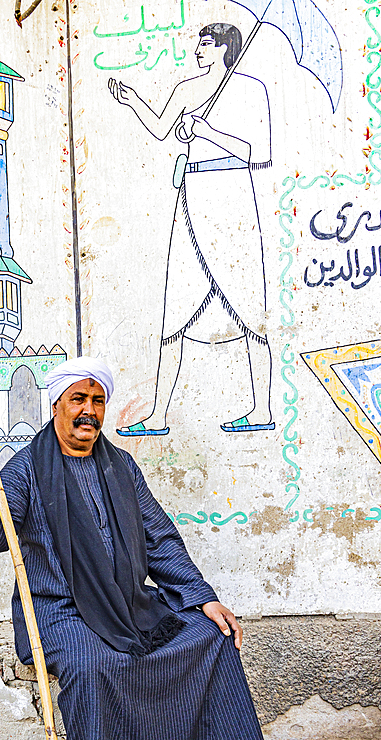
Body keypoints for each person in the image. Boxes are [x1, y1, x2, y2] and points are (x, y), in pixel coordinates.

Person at [0, 357, 287, 740]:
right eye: (78, 401)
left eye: (97, 401)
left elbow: (160, 539)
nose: (89, 412)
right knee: (92, 667)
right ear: (57, 405)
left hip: (127, 603)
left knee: (209, 638)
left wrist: (203, 596)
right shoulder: (22, 469)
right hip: (59, 610)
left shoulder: (121, 465)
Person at [109, 23, 275, 437]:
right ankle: (159, 415)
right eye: (199, 43)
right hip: (192, 192)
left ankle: (262, 409)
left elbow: (260, 153)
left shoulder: (251, 90)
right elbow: (163, 128)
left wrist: (207, 132)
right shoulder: (188, 88)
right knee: (174, 310)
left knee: (250, 307)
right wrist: (134, 102)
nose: (199, 50)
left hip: (232, 195)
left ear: (224, 48)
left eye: (206, 43)